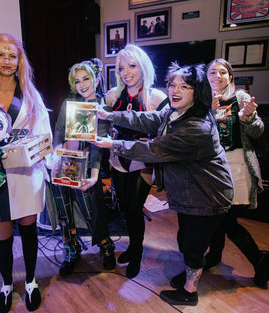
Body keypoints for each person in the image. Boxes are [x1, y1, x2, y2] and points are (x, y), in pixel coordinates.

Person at [92, 62, 233, 306]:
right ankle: (193, 272)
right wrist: (111, 115)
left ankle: (190, 291)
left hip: (206, 193)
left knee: (192, 242)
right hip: (191, 191)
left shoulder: (196, 126)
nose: (175, 91)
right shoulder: (176, 112)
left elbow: (154, 149)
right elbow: (149, 118)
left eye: (185, 86)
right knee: (187, 239)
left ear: (197, 91)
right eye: (172, 85)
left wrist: (111, 144)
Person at [0, 33, 51, 312]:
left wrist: (33, 152)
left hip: (26, 175)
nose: (7, 61)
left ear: (19, 60)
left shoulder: (31, 95)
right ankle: (7, 285)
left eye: (12, 55)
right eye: (0, 54)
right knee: (1, 236)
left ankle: (30, 282)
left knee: (28, 231)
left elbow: (44, 136)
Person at [206, 58, 269, 287]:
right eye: (212, 72)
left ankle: (259, 258)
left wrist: (248, 118)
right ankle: (214, 257)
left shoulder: (241, 97)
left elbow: (258, 132)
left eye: (222, 72)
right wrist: (208, 112)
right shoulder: (203, 101)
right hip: (213, 168)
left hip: (237, 167)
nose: (217, 76)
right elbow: (198, 135)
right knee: (218, 217)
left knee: (225, 220)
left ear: (230, 76)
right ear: (207, 77)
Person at [104, 43, 167, 278]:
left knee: (134, 207)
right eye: (121, 68)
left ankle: (137, 251)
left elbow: (166, 134)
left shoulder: (157, 97)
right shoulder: (112, 96)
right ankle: (132, 246)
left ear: (143, 67)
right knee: (124, 208)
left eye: (132, 66)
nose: (127, 72)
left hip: (143, 161)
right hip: (117, 159)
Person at [51, 58, 116, 276]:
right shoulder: (69, 103)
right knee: (65, 212)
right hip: (63, 163)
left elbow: (99, 145)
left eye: (86, 78)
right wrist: (56, 158)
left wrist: (95, 175)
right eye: (77, 81)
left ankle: (106, 247)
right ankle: (71, 250)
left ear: (96, 79)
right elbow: (59, 132)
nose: (82, 84)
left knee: (91, 213)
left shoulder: (103, 108)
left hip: (87, 167)